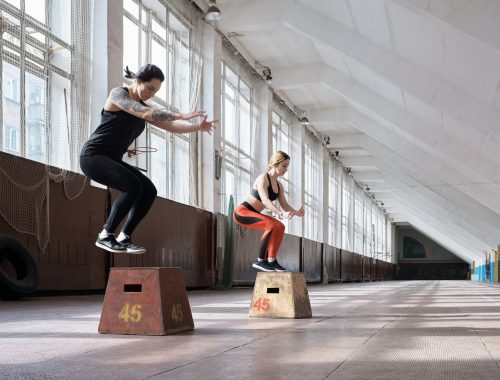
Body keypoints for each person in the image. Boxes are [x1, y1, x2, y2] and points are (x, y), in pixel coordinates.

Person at [80, 64, 215, 254]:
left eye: (156, 91)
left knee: (149, 190)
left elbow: (171, 125)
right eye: (150, 88)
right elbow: (143, 112)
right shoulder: (118, 94)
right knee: (133, 185)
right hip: (93, 156)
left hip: (112, 159)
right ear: (138, 81)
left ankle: (124, 236)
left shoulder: (144, 108)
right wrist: (182, 114)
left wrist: (196, 127)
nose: (152, 94)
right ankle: (105, 235)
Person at [233, 151, 305, 272]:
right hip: (242, 212)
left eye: (287, 166)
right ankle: (260, 260)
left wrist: (296, 212)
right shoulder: (263, 179)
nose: (286, 169)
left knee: (280, 226)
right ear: (275, 164)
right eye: (284, 165)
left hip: (255, 214)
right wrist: (281, 213)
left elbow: (285, 205)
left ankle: (271, 260)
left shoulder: (279, 185)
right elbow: (265, 200)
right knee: (271, 225)